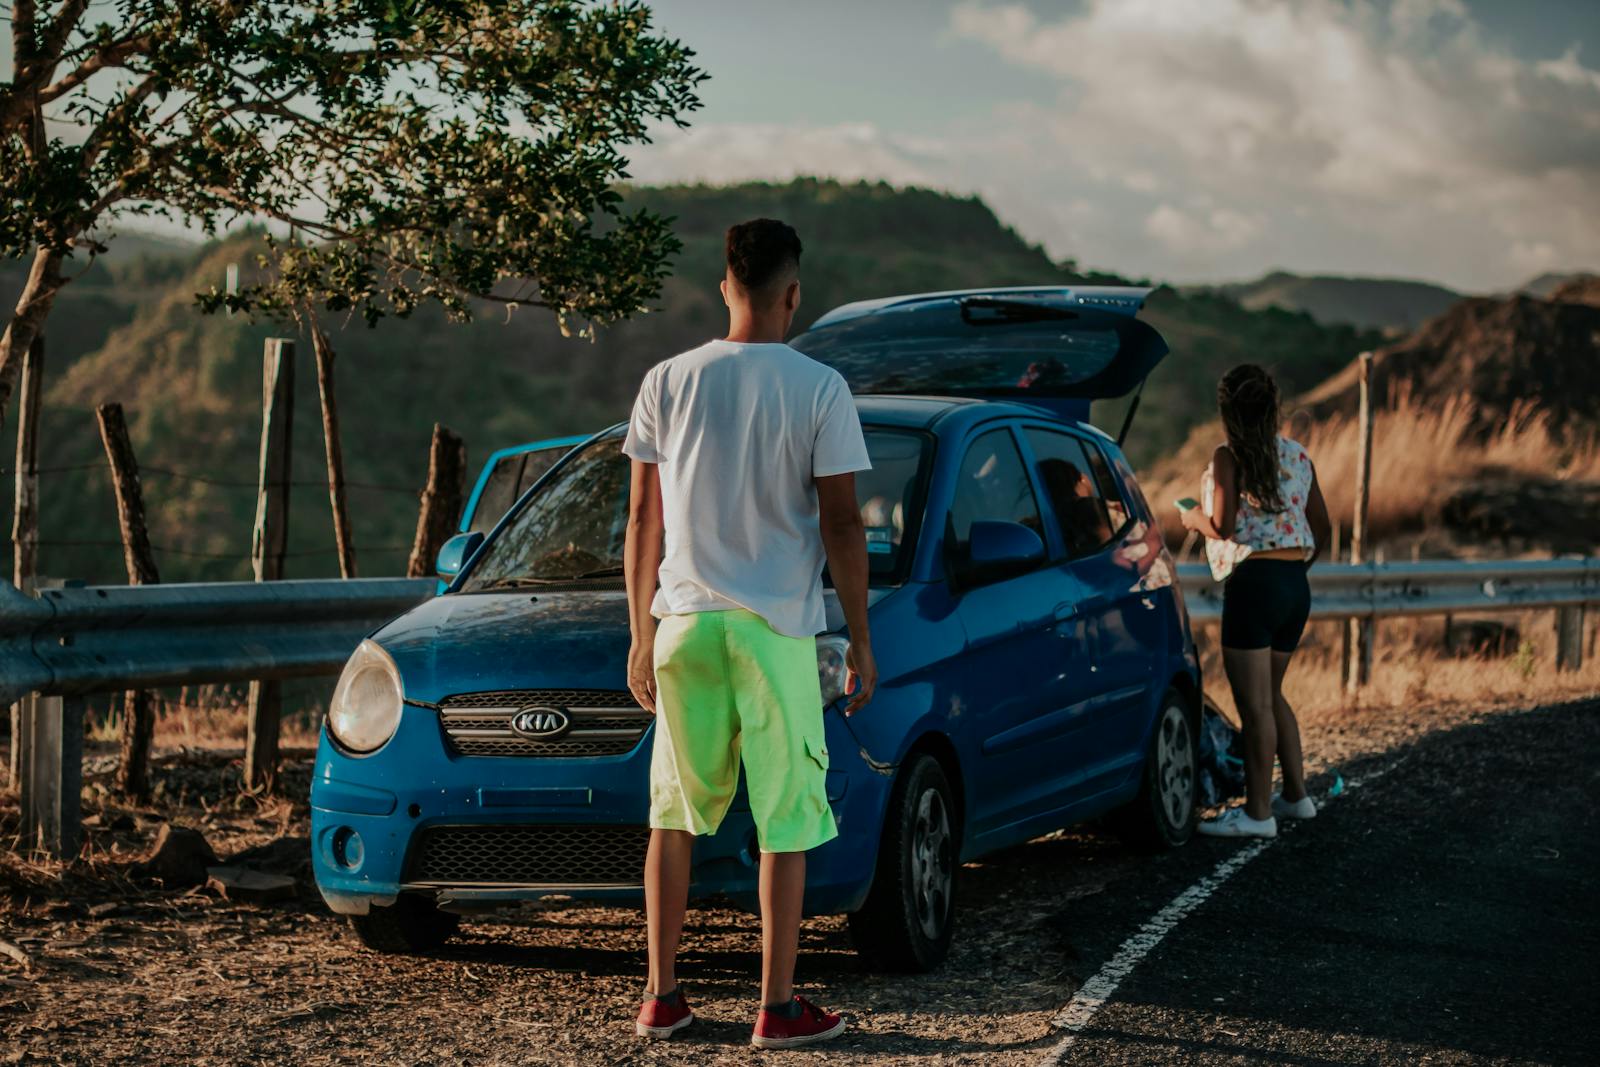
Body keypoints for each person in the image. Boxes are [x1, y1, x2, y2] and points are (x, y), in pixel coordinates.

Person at [621, 218, 877, 1048]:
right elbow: (841, 522)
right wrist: (862, 638)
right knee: (786, 816)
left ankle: (661, 995)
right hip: (775, 631)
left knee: (671, 812)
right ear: (794, 294)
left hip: (683, 621)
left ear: (725, 285)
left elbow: (639, 520)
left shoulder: (667, 379)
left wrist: (637, 632)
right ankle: (777, 1006)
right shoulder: (820, 387)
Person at [1180, 364, 1331, 839]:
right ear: (1272, 408)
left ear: (1227, 411)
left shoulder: (1228, 457)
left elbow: (1222, 526)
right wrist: (1291, 574)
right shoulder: (1297, 455)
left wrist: (1191, 518)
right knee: (1273, 695)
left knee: (1255, 706)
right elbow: (1321, 528)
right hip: (1293, 584)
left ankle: (1258, 815)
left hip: (1253, 585)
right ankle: (1296, 797)